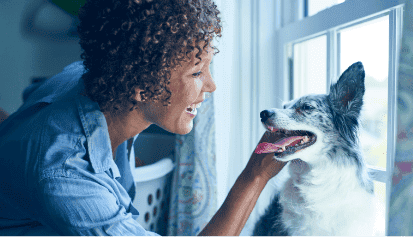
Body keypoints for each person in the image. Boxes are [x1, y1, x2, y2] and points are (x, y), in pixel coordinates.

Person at [0, 0, 287, 235]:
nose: (211, 86)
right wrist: (256, 174)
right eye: (197, 73)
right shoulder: (66, 175)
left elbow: (32, 100)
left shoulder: (86, 79)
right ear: (141, 86)